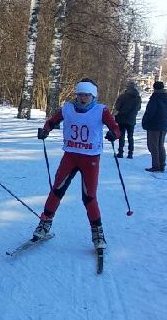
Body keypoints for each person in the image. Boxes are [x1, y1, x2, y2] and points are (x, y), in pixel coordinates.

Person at [33, 79, 121, 251]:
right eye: (80, 94)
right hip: (71, 156)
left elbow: (116, 128)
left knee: (89, 197)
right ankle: (44, 224)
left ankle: (97, 233)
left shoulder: (100, 110)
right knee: (57, 190)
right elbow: (52, 121)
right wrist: (45, 131)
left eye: (86, 95)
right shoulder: (67, 109)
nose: (82, 98)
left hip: (90, 159)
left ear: (93, 96)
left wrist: (113, 134)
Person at [141, 80, 167, 172]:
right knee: (161, 145)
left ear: (154, 88)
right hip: (164, 124)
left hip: (153, 124)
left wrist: (145, 121)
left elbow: (150, 112)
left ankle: (156, 165)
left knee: (153, 145)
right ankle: (162, 164)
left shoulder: (155, 98)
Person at [112, 82, 141, 158]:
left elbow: (117, 107)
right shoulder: (137, 97)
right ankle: (130, 153)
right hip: (131, 119)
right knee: (130, 136)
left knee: (121, 135)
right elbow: (138, 108)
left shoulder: (122, 96)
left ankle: (120, 152)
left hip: (122, 118)